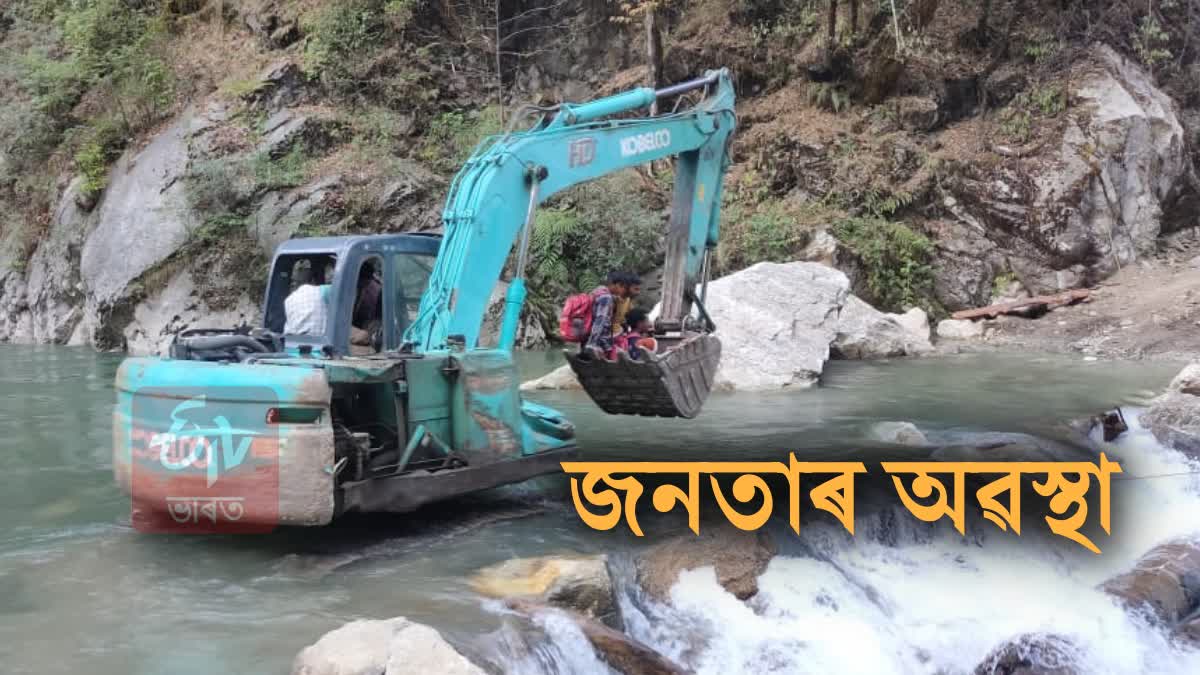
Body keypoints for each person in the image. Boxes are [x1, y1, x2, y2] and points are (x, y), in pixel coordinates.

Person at [583, 271, 630, 358]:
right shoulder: (606, 297)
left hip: (587, 335)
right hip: (599, 341)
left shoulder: (597, 292)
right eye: (622, 286)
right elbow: (600, 320)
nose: (622, 290)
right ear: (615, 285)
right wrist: (592, 343)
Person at [350, 262, 383, 350]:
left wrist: (368, 331)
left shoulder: (377, 292)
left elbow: (377, 319)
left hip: (369, 329)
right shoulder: (355, 288)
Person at [611, 272, 642, 336]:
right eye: (636, 289)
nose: (638, 293)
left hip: (619, 336)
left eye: (639, 289)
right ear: (626, 286)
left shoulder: (628, 301)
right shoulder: (612, 300)